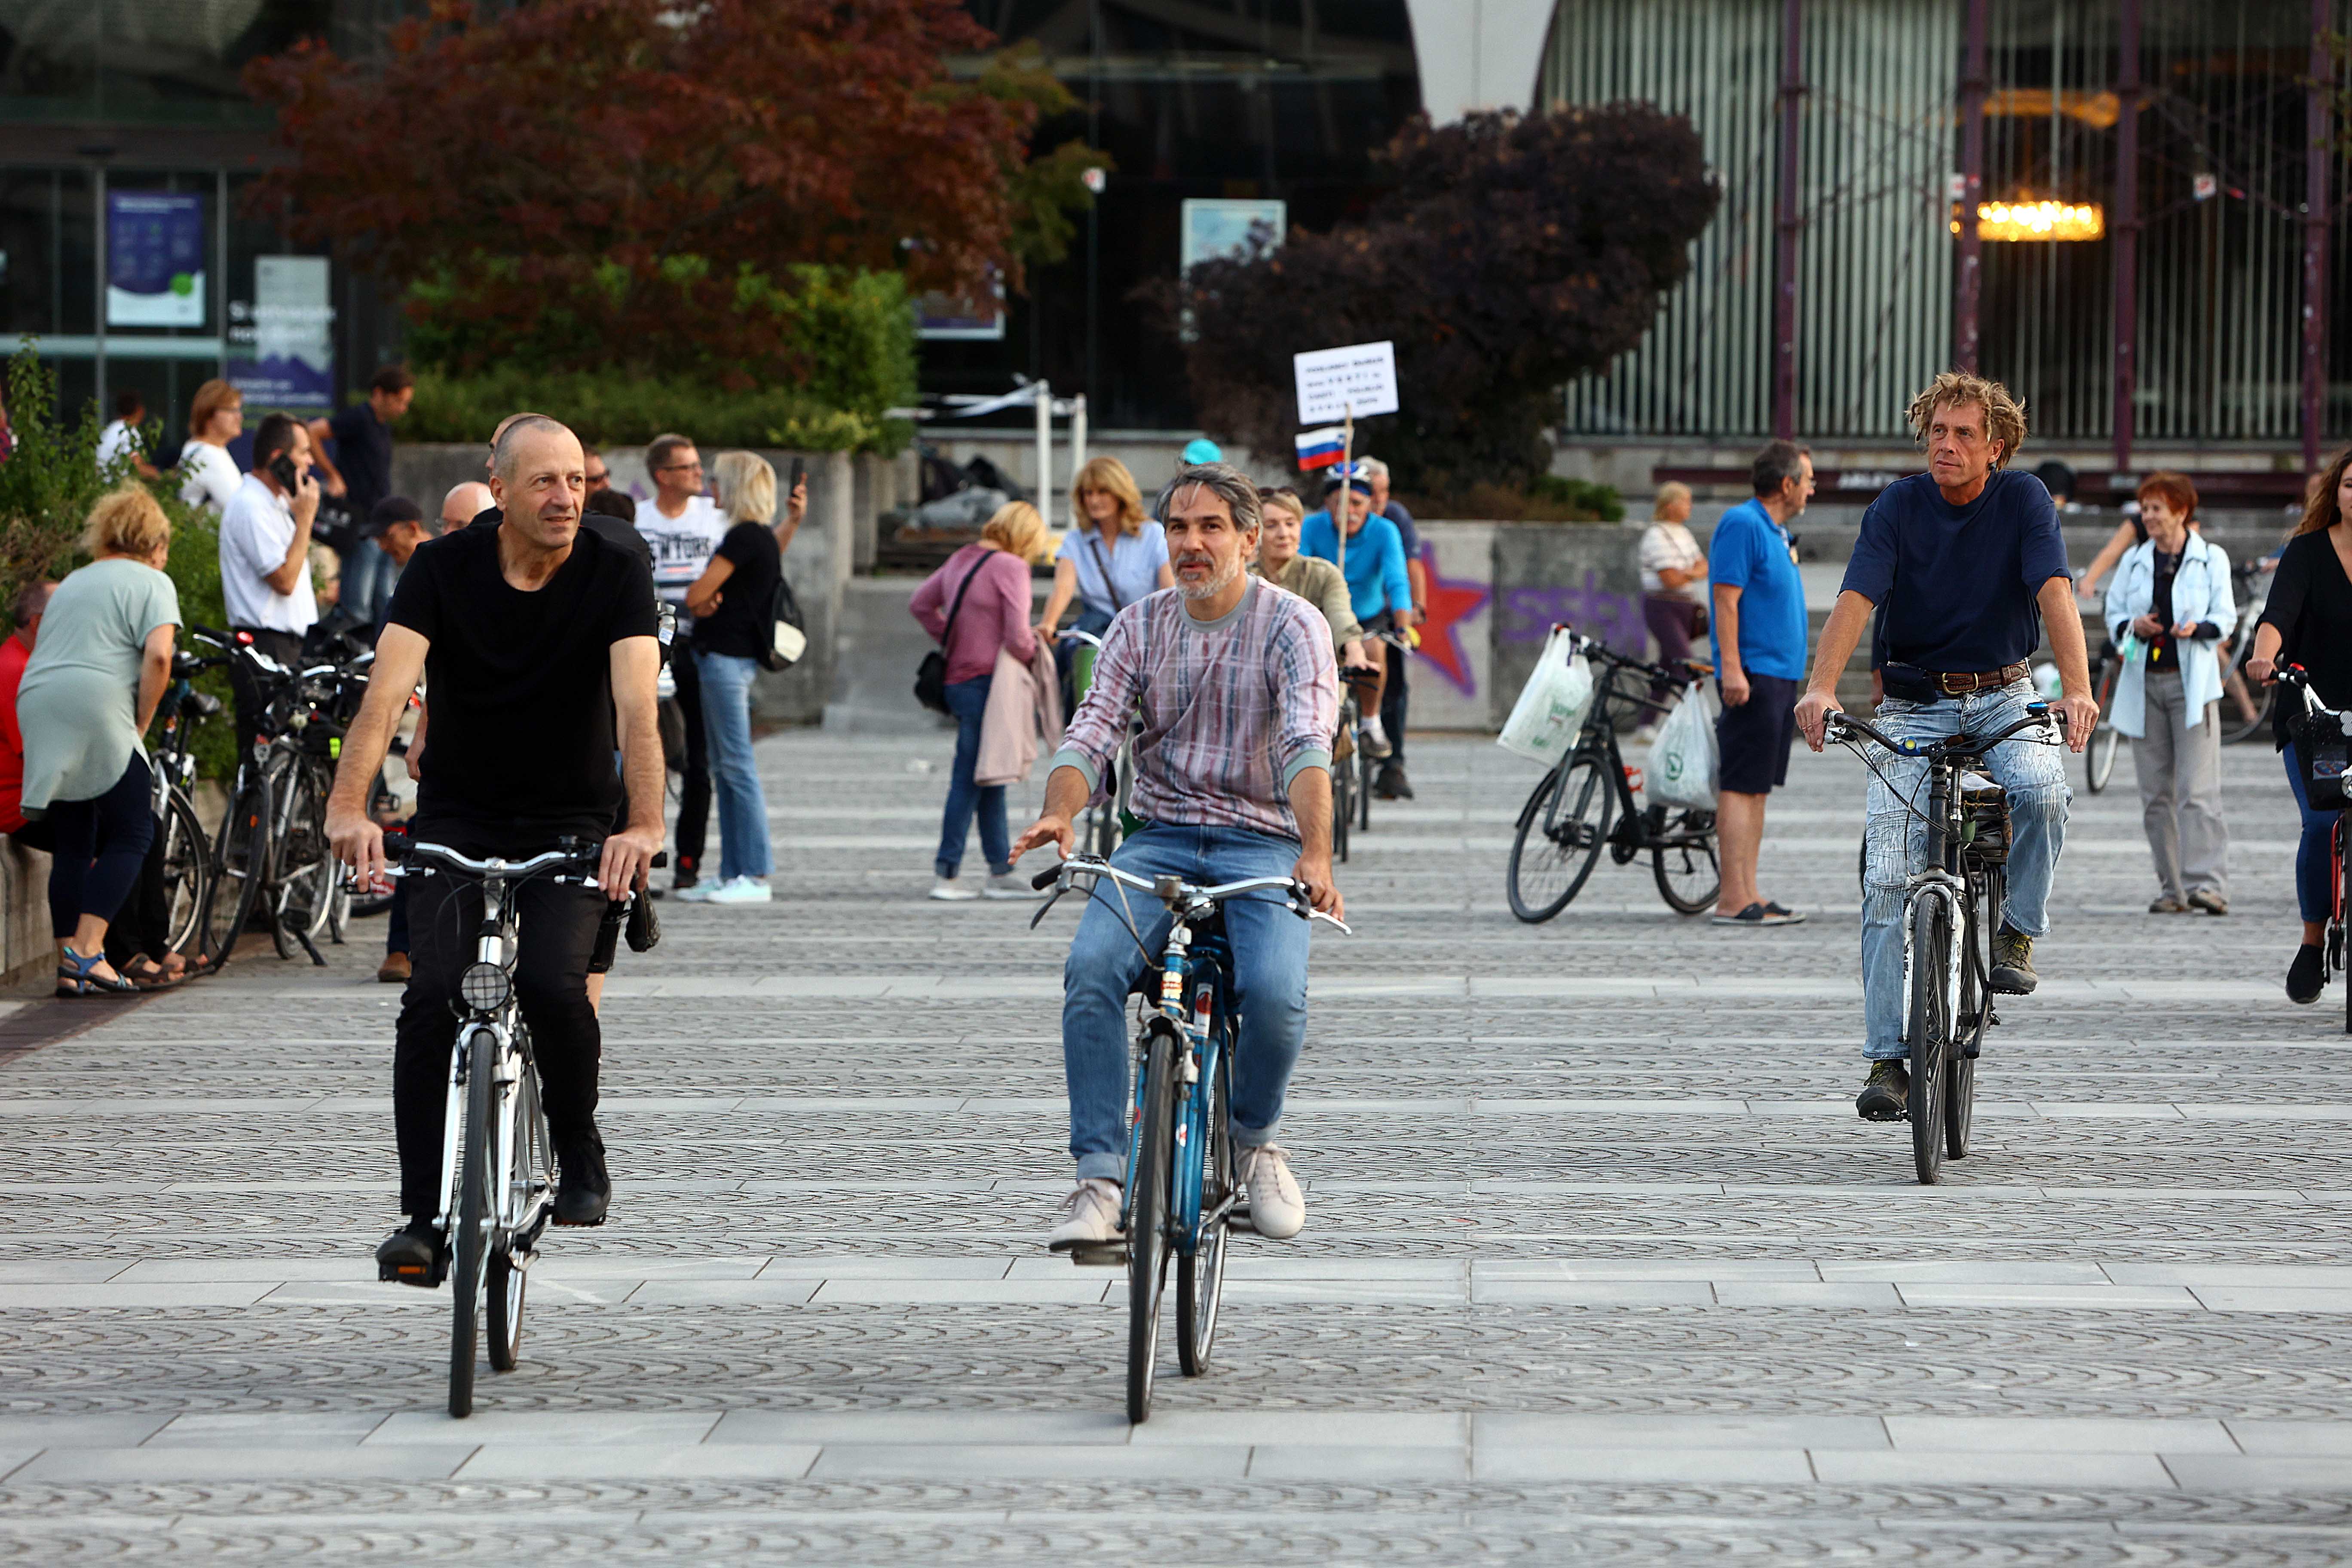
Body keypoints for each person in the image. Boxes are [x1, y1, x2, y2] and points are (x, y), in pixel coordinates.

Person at [328, 415, 662, 1276]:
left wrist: (642, 824)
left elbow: (637, 712)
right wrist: (349, 808)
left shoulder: (617, 572)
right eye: (545, 482)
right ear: (500, 488)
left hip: (572, 821)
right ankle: (424, 1222)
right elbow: (384, 699)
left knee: (554, 986)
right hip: (459, 815)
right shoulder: (440, 570)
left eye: (578, 483)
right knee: (431, 1000)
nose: (565, 499)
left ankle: (578, 1147)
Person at [1014, 464, 1339, 1250]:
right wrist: (1060, 809)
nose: (1192, 543)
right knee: (1089, 970)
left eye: (1211, 527)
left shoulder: (1294, 624)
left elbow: (1304, 743)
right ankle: (1099, 1178)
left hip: (1260, 838)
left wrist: (1318, 854)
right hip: (1157, 837)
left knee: (1272, 992)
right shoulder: (1139, 624)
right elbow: (1091, 731)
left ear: (1250, 539)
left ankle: (1255, 1139)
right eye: (1179, 528)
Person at [1794, 372, 2094, 1121]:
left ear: (1995, 445)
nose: (1946, 445)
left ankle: (2017, 931)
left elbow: (2055, 591)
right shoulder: (1895, 507)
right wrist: (1820, 687)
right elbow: (1855, 598)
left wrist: (2078, 689)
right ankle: (1887, 1058)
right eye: (1936, 431)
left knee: (2040, 791)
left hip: (2001, 693)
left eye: (1963, 434)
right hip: (1912, 703)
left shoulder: (2024, 500)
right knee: (1886, 880)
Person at [17, 487, 181, 997]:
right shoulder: (153, 581)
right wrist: (141, 722)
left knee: (75, 839)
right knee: (134, 831)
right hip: (98, 703)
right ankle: (89, 953)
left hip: (40, 699)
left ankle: (69, 959)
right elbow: (158, 657)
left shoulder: (72, 583)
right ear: (153, 542)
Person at [2245, 446, 2352, 1004]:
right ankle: (2313, 940)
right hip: (2316, 716)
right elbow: (2277, 616)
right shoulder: (2308, 552)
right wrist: (2265, 657)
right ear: (2336, 491)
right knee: (2324, 819)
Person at [2103, 472, 2234, 916]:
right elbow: (2114, 612)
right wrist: (2132, 626)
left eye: (2157, 508)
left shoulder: (2210, 558)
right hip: (2146, 682)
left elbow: (2227, 617)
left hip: (2191, 683)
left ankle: (2208, 884)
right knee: (2155, 794)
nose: (2149, 516)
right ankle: (2172, 889)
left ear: (2181, 511)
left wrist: (2200, 628)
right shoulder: (2137, 560)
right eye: (2146, 509)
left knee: (2197, 790)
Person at [913, 501, 1046, 901]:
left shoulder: (961, 558)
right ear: (1024, 537)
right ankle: (947, 873)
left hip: (957, 680)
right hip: (989, 684)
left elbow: (920, 603)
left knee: (991, 778)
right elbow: (1018, 637)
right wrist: (1037, 655)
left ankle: (1000, 870)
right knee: (970, 777)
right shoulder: (1011, 567)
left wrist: (954, 640)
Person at [678, 452, 795, 906]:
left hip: (726, 660)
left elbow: (696, 594)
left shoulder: (745, 536)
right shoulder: (757, 537)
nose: (712, 487)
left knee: (737, 767)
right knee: (726, 769)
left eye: (718, 480)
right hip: (725, 658)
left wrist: (707, 600)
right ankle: (733, 873)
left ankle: (754, 873)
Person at [1706, 442, 1814, 927]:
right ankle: (1731, 897)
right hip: (1752, 673)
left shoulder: (1776, 531)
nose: (1812, 488)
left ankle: (1750, 890)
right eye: (1808, 479)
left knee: (1759, 789)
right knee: (1740, 783)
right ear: (1787, 483)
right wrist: (1731, 668)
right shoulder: (1743, 523)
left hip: (1779, 675)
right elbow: (1725, 600)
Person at [636, 432, 725, 897]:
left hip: (700, 649)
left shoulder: (714, 519)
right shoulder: (639, 520)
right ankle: (640, 862)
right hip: (648, 653)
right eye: (688, 467)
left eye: (698, 465)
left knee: (698, 762)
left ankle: (688, 862)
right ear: (662, 476)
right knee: (640, 755)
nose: (698, 474)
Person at [217, 412, 322, 751]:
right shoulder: (250, 505)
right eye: (304, 452)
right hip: (266, 645)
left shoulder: (274, 502)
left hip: (288, 643)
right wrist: (305, 520)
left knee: (291, 748)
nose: (311, 462)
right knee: (265, 751)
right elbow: (284, 580)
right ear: (279, 458)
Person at [1300, 466, 1410, 767]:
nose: (1348, 511)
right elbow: (1300, 566)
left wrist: (1403, 625)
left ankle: (1371, 724)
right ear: (1327, 504)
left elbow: (1397, 580)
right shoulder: (1311, 527)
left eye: (1357, 503)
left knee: (1375, 648)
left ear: (1370, 505)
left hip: (1367, 618)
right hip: (1323, 616)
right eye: (1339, 502)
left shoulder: (1385, 530)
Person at [306, 366, 416, 625]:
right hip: (361, 523)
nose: (403, 409)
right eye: (399, 401)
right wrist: (332, 474)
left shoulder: (382, 427)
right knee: (358, 605)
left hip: (380, 525)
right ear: (381, 394)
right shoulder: (359, 418)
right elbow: (314, 431)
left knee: (383, 601)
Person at [1033, 456, 1173, 652]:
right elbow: (1063, 588)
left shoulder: (1153, 534)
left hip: (1146, 640)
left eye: (1102, 492)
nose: (1093, 500)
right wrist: (1049, 623)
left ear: (1120, 494)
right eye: (1088, 493)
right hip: (1099, 640)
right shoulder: (1076, 541)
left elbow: (1170, 592)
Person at [1355, 456, 1427, 799]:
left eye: (1384, 492)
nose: (1380, 499)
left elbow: (1408, 569)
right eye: (1372, 492)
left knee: (1394, 680)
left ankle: (1393, 764)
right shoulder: (1333, 521)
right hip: (1341, 612)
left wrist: (1416, 608)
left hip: (1382, 613)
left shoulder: (1393, 521)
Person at [1253, 487, 1367, 669]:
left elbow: (1340, 614)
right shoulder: (1244, 578)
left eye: (1290, 524)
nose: (1283, 534)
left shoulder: (1324, 574)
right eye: (1271, 525)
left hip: (1318, 673)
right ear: (1255, 533)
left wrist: (1353, 648)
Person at [1638, 481, 1708, 735]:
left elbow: (1703, 566)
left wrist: (1685, 573)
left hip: (1685, 605)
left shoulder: (1683, 533)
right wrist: (1692, 572)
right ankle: (1691, 721)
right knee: (1684, 660)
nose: (1690, 507)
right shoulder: (1656, 535)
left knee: (1669, 664)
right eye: (1685, 501)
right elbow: (1670, 579)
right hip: (1663, 605)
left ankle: (1646, 723)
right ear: (1670, 505)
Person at [0, 580, 56, 841]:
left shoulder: (21, 660)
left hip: (26, 797)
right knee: (136, 833)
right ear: (37, 624)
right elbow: (36, 751)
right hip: (15, 804)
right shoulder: (16, 670)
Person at [175, 380, 244, 515]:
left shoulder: (201, 448)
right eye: (232, 410)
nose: (239, 417)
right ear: (209, 415)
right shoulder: (208, 455)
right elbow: (241, 510)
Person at [96, 389, 161, 481]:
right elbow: (138, 467)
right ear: (140, 410)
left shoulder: (109, 430)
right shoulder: (130, 431)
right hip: (118, 489)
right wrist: (162, 476)